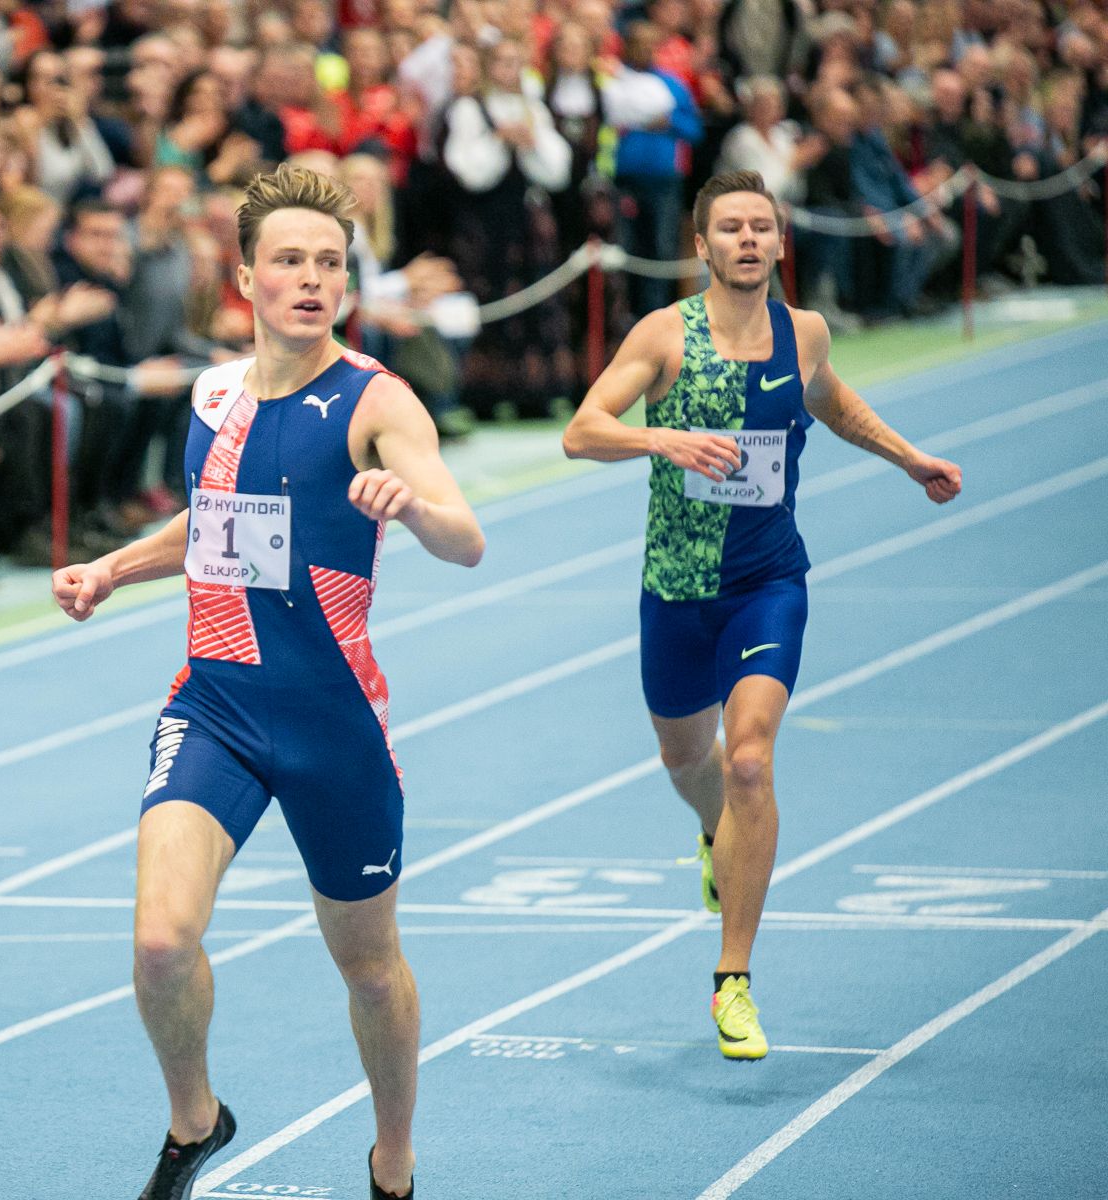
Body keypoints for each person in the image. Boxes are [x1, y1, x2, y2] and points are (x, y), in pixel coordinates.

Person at [51, 165, 485, 1200]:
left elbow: (465, 537)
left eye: (330, 263)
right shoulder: (213, 394)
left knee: (369, 968)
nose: (312, 279)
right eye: (290, 260)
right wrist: (115, 566)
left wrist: (411, 507)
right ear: (245, 278)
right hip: (217, 704)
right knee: (161, 941)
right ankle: (195, 1120)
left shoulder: (376, 399)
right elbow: (209, 526)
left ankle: (393, 1158)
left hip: (334, 724)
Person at [560, 170, 963, 1060]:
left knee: (749, 761)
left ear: (781, 243)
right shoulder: (664, 336)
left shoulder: (804, 332)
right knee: (685, 759)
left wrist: (907, 457)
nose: (748, 239)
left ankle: (732, 980)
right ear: (700, 246)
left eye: (761, 227)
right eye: (730, 228)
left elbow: (831, 401)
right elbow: (581, 430)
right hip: (674, 589)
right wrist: (660, 437)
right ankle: (713, 837)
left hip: (767, 583)